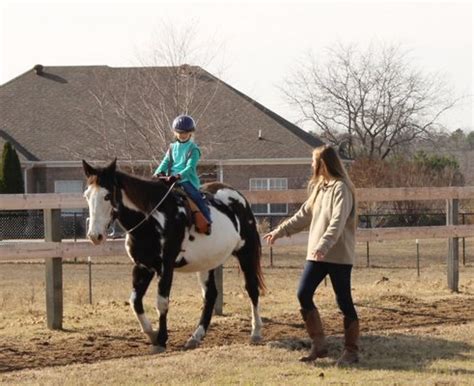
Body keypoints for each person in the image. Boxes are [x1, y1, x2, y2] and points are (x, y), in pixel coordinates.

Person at [263, 145, 359, 366]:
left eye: (313, 161)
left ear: (323, 164)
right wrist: (280, 231)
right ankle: (319, 345)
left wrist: (324, 245)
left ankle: (351, 351)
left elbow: (337, 221)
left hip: (337, 255)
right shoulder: (320, 188)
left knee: (344, 301)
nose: (311, 165)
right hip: (317, 254)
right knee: (303, 294)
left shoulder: (341, 188)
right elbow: (303, 215)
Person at [153, 114, 212, 234]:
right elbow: (165, 162)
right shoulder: (172, 147)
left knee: (197, 198)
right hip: (170, 179)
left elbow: (190, 167)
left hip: (186, 180)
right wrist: (157, 173)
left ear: (191, 133)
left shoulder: (193, 149)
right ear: (175, 133)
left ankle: (207, 221)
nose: (182, 135)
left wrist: (179, 175)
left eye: (185, 132)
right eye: (180, 132)